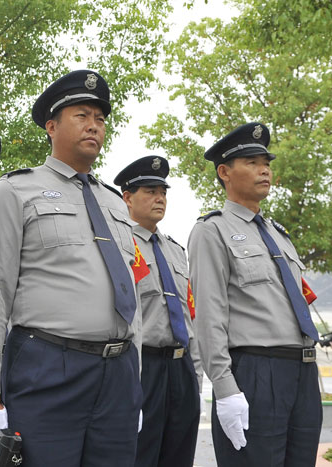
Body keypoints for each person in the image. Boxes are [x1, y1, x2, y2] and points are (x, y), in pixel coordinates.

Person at [0, 70, 149, 466]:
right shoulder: (14, 191)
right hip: (49, 367)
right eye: (82, 115)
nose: (94, 126)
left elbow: (130, 293)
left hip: (118, 375)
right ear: (51, 127)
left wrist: (133, 382)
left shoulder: (116, 204)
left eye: (100, 119)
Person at [189, 122, 321, 466]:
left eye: (266, 163)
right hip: (257, 372)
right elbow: (209, 316)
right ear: (225, 172)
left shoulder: (279, 234)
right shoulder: (212, 230)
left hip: (303, 373)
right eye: (251, 162)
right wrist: (224, 388)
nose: (264, 170)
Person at [114, 156, 202, 467]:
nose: (160, 198)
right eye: (150, 192)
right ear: (128, 198)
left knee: (179, 455)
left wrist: (195, 375)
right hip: (144, 367)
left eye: (163, 192)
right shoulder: (120, 246)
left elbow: (190, 315)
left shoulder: (176, 251)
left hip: (181, 368)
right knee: (141, 455)